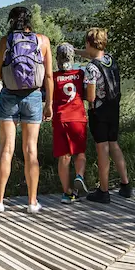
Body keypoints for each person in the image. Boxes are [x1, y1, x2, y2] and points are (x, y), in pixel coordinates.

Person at [0, 6, 53, 214]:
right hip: (34, 97)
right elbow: (48, 77)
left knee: (6, 150)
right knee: (31, 150)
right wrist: (49, 104)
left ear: (11, 21)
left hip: (9, 96)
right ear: (30, 20)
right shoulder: (43, 40)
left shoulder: (6, 41)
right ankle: (32, 202)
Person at [82, 28, 130, 203]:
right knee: (114, 144)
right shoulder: (109, 59)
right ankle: (126, 185)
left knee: (102, 148)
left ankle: (103, 190)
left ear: (88, 43)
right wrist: (77, 51)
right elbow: (93, 56)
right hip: (113, 108)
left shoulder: (90, 68)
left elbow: (91, 96)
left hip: (99, 112)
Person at [51, 43, 88, 203]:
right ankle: (79, 175)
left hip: (61, 119)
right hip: (78, 118)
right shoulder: (80, 74)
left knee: (64, 157)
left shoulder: (53, 77)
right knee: (80, 153)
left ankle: (67, 193)